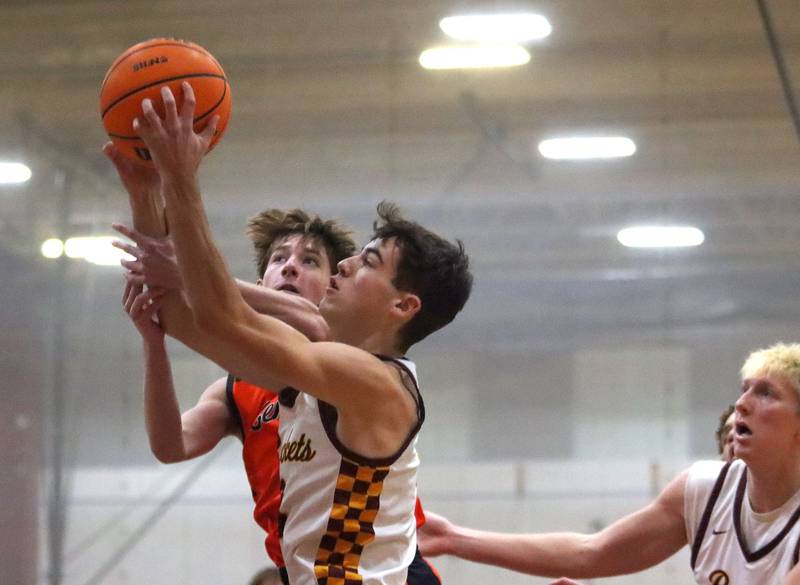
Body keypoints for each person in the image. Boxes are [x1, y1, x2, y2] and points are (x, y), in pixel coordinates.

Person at [111, 82, 472, 585]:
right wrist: (147, 191)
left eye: (365, 262)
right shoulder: (305, 374)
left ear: (402, 305)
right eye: (280, 260)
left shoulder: (378, 383)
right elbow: (176, 312)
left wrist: (180, 177)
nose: (346, 264)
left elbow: (218, 314)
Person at [418, 343, 800, 585]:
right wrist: (455, 538)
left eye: (766, 393)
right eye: (744, 389)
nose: (743, 404)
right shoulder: (704, 487)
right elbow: (593, 553)